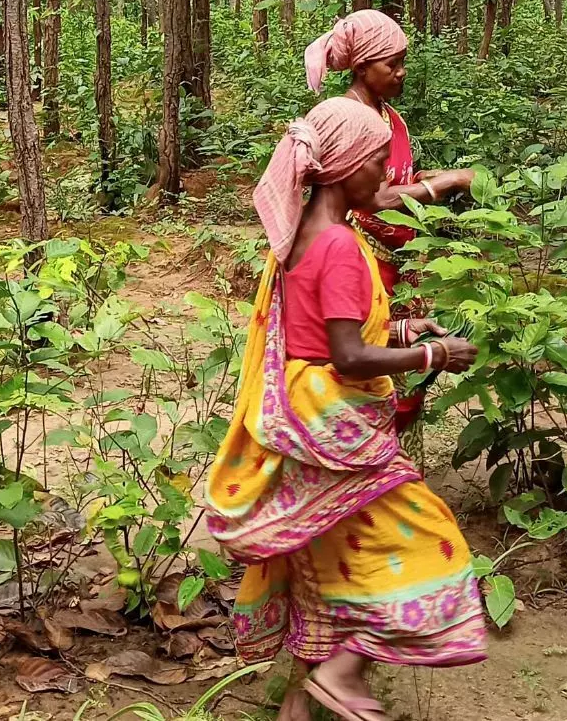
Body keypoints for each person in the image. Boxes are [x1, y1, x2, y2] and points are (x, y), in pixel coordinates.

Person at [205, 96, 486, 721]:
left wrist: (405, 331)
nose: (388, 178)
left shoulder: (303, 232)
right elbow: (348, 356)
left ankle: (296, 710)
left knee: (321, 560)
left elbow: (317, 333)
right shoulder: (339, 245)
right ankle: (341, 672)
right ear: (346, 165)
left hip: (302, 416)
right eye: (379, 163)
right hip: (332, 425)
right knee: (432, 538)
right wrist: (433, 356)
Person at [304, 10, 474, 298]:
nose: (401, 71)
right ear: (361, 68)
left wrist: (425, 177)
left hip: (400, 262)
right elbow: (377, 198)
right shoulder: (351, 121)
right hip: (364, 261)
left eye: (403, 62)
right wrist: (449, 181)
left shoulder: (390, 116)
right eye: (392, 64)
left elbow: (396, 178)